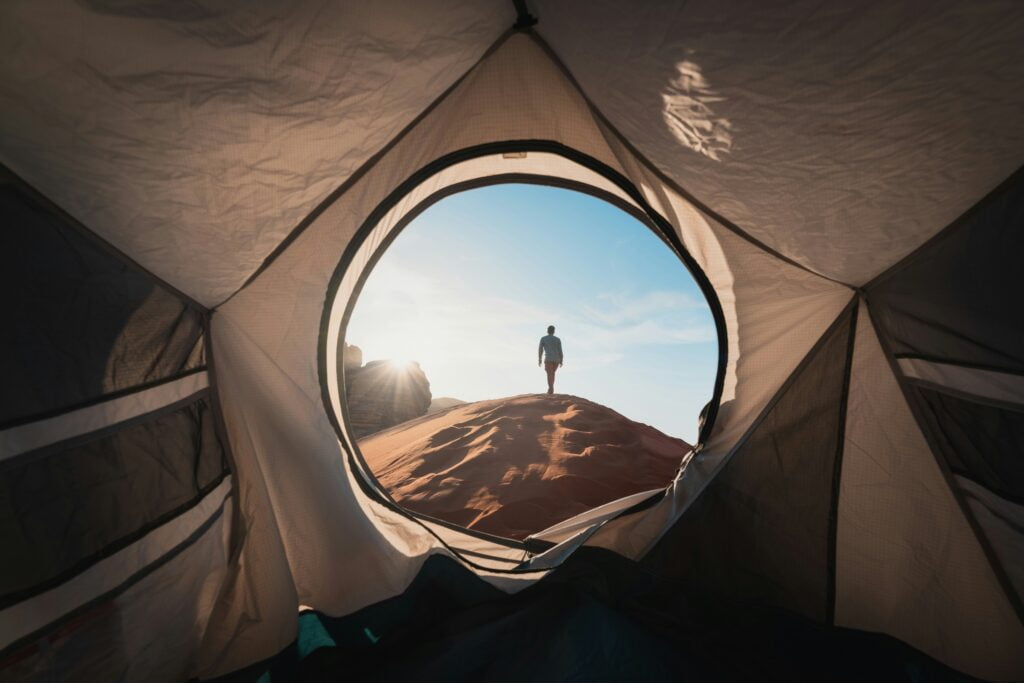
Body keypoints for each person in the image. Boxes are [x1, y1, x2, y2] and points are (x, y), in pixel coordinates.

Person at [537, 325, 563, 395]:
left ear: (547, 331)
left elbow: (540, 350)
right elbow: (560, 351)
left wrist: (539, 359)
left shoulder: (543, 338)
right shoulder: (557, 339)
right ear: (554, 331)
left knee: (549, 374)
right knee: (552, 374)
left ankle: (551, 389)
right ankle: (551, 388)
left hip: (548, 358)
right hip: (556, 360)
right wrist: (561, 360)